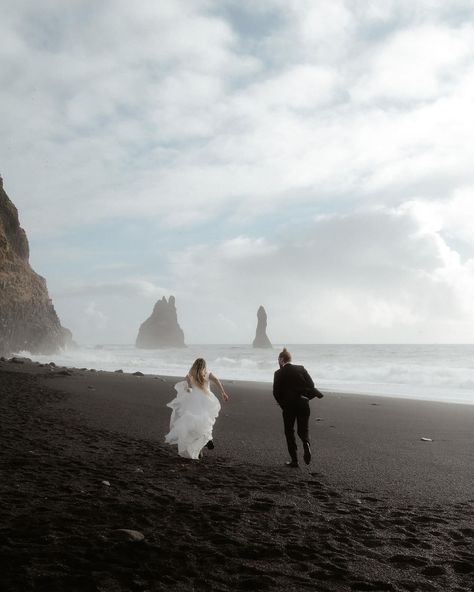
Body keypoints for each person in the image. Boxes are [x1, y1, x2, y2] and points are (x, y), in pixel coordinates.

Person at [165, 358, 229, 459]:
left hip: (194, 401)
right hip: (207, 400)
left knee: (194, 425)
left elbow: (189, 387)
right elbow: (217, 381)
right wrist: (223, 392)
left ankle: (202, 444)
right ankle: (208, 439)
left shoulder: (190, 374)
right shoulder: (207, 374)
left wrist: (187, 391)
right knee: (206, 421)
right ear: (205, 365)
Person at [273, 347, 323, 468]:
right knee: (303, 429)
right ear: (290, 359)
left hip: (288, 406)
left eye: (278, 360)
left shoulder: (278, 373)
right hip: (303, 403)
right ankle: (306, 444)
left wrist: (283, 404)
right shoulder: (301, 368)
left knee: (289, 431)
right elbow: (311, 385)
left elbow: (276, 392)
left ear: (281, 359)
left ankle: (294, 460)